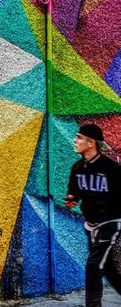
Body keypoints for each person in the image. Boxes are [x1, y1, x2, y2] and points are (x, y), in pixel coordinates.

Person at [65, 124, 121, 307]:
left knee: (93, 265)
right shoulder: (77, 168)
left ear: (91, 143)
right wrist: (72, 198)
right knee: (109, 269)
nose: (75, 140)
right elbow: (75, 192)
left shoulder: (111, 169)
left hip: (110, 223)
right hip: (91, 225)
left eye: (79, 137)